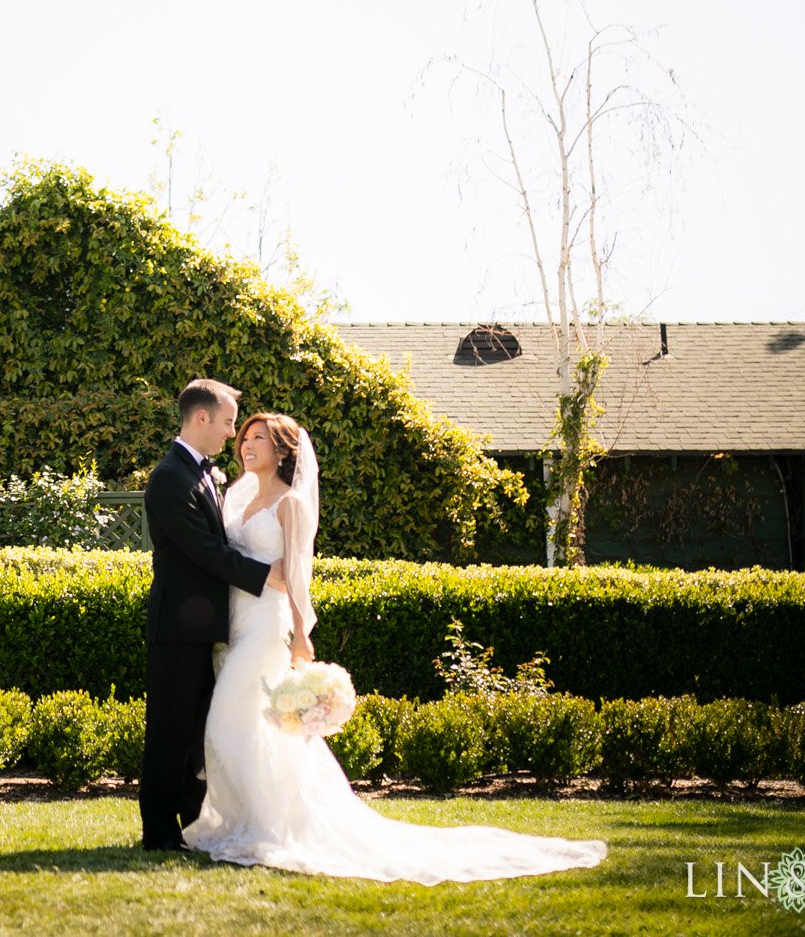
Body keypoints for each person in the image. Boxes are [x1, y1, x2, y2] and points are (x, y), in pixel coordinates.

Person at [181, 410, 609, 882]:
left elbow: (299, 578)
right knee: (249, 732)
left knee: (227, 726)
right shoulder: (236, 496)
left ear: (282, 451)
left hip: (265, 628)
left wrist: (302, 636)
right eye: (245, 436)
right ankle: (252, 821)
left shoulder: (290, 505)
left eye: (259, 437)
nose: (247, 444)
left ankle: (267, 829)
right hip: (233, 625)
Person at [137, 378, 285, 851]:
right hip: (179, 628)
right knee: (170, 730)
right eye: (227, 423)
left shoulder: (204, 473)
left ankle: (191, 823)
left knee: (197, 733)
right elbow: (204, 551)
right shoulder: (169, 477)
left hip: (209, 627)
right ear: (201, 419)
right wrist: (265, 575)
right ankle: (159, 833)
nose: (232, 433)